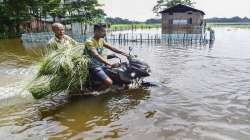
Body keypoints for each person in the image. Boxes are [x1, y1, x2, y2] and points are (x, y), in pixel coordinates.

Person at [85, 24, 129, 91]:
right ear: (96, 31)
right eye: (103, 31)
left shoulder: (101, 40)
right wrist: (110, 64)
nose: (105, 33)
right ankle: (95, 93)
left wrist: (126, 54)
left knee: (119, 75)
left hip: (102, 65)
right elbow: (96, 55)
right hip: (94, 66)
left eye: (105, 31)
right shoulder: (89, 42)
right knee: (109, 82)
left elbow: (113, 48)